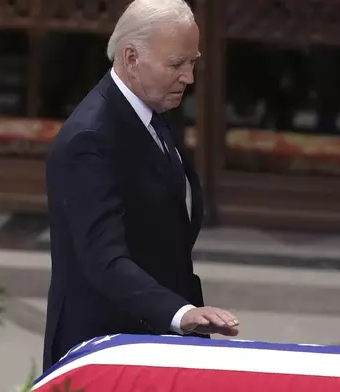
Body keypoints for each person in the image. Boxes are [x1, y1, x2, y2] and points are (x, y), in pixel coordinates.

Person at [42, 0, 240, 371]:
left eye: (192, 61)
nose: (189, 77)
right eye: (176, 64)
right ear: (131, 58)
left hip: (158, 336)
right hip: (107, 346)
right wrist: (181, 314)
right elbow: (104, 259)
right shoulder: (91, 139)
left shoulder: (153, 108)